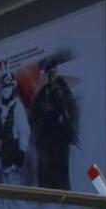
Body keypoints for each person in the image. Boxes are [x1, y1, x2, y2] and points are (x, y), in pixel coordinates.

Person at [30, 58, 79, 189]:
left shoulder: (62, 88)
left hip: (59, 138)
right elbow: (34, 113)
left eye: (53, 72)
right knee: (45, 173)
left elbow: (71, 107)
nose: (51, 76)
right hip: (45, 138)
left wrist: (65, 118)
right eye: (49, 73)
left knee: (60, 171)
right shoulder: (43, 92)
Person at [0, 71, 30, 185]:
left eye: (9, 86)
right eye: (4, 87)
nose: (6, 89)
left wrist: (21, 153)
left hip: (12, 161)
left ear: (13, 87)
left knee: (12, 191)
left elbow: (24, 131)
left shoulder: (18, 107)